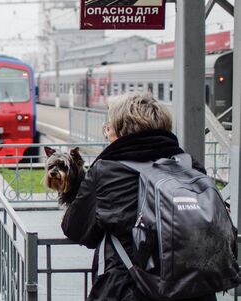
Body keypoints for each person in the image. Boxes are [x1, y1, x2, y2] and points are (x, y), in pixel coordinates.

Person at [61, 92, 215, 301]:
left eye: (109, 128)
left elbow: (75, 228)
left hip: (127, 289)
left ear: (119, 130)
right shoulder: (189, 166)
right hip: (192, 289)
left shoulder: (107, 171)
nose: (107, 134)